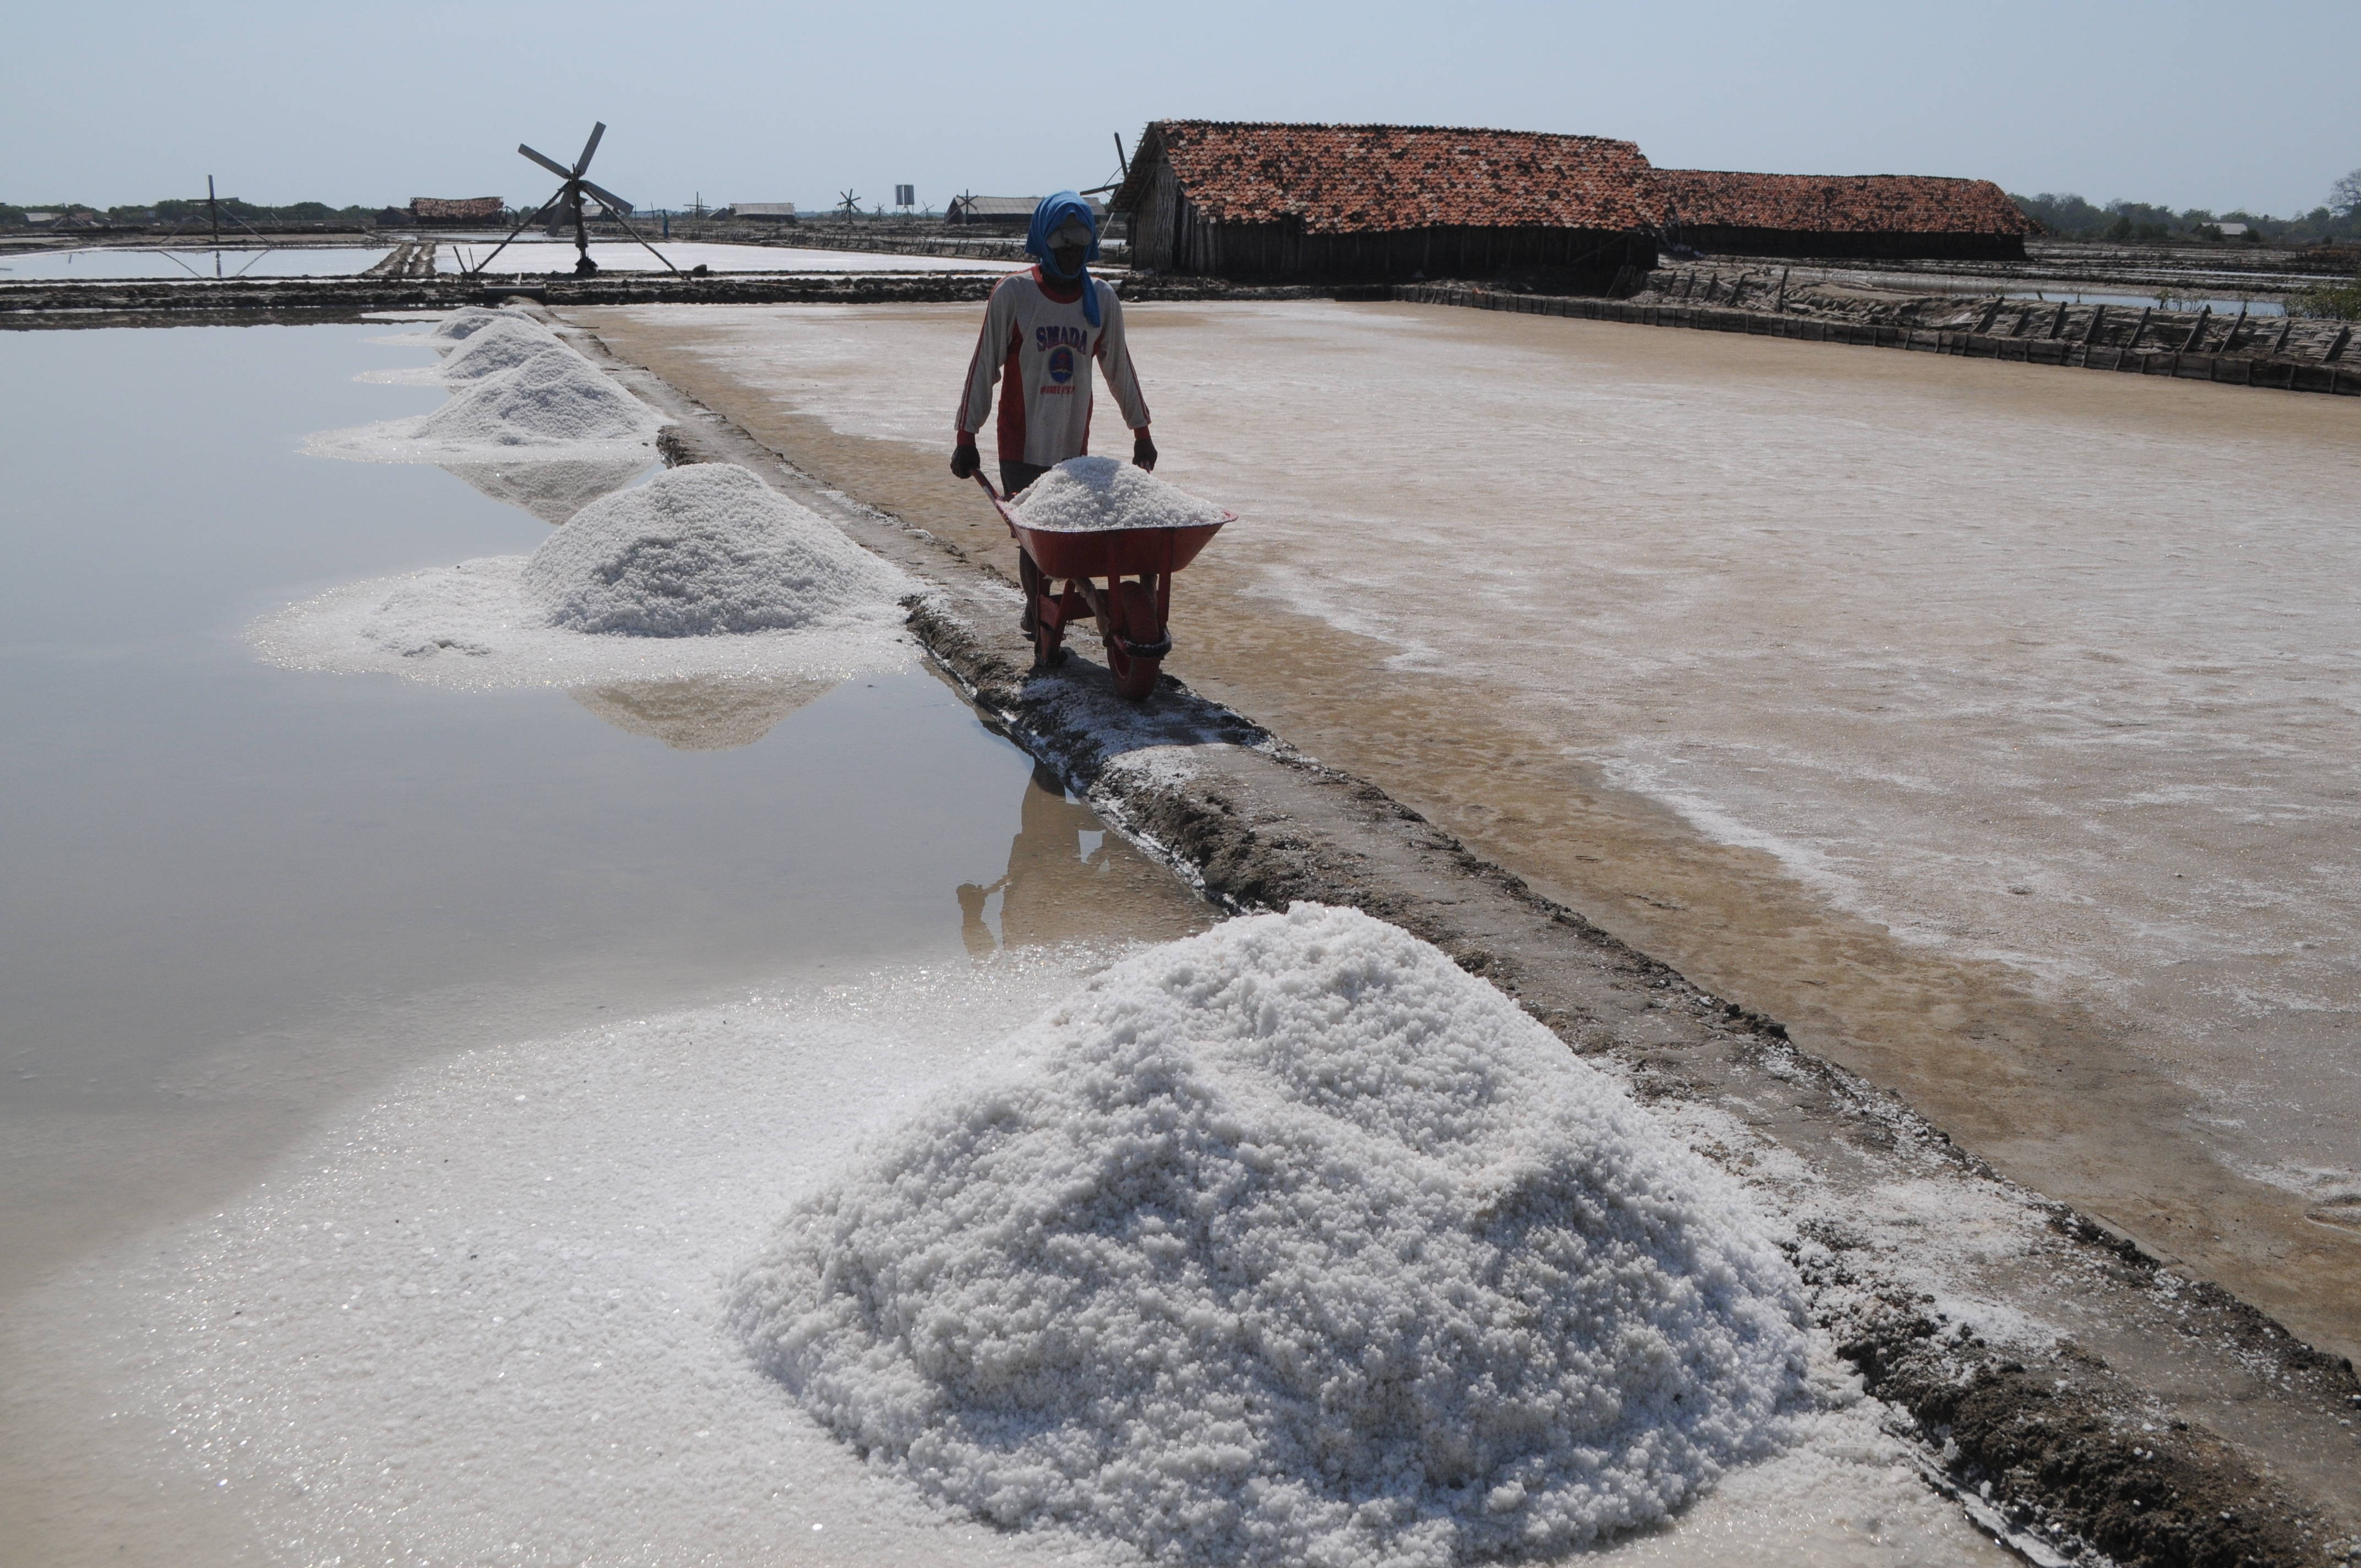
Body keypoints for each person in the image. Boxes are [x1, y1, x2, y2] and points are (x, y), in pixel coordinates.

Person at [950, 192, 1155, 499]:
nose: (1072, 252)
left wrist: (1142, 434)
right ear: (1044, 240)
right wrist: (966, 438)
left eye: (1080, 241)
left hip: (1074, 453)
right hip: (1021, 450)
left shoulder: (1101, 299)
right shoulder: (1015, 294)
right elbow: (983, 366)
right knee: (1032, 526)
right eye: (1062, 242)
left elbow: (1120, 371)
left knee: (1065, 525)